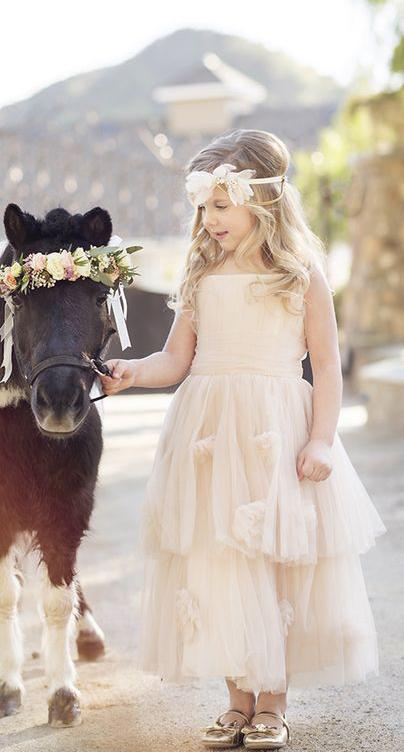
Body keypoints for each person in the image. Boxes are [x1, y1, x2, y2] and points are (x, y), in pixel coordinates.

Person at [98, 129, 387, 749]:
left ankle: (273, 703)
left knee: (272, 562)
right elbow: (176, 359)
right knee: (220, 560)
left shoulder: (300, 276)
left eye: (220, 204)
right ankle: (236, 698)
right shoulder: (200, 272)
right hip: (206, 433)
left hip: (273, 431)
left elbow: (329, 368)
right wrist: (132, 372)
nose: (209, 219)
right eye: (202, 207)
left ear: (262, 199)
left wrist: (321, 441)